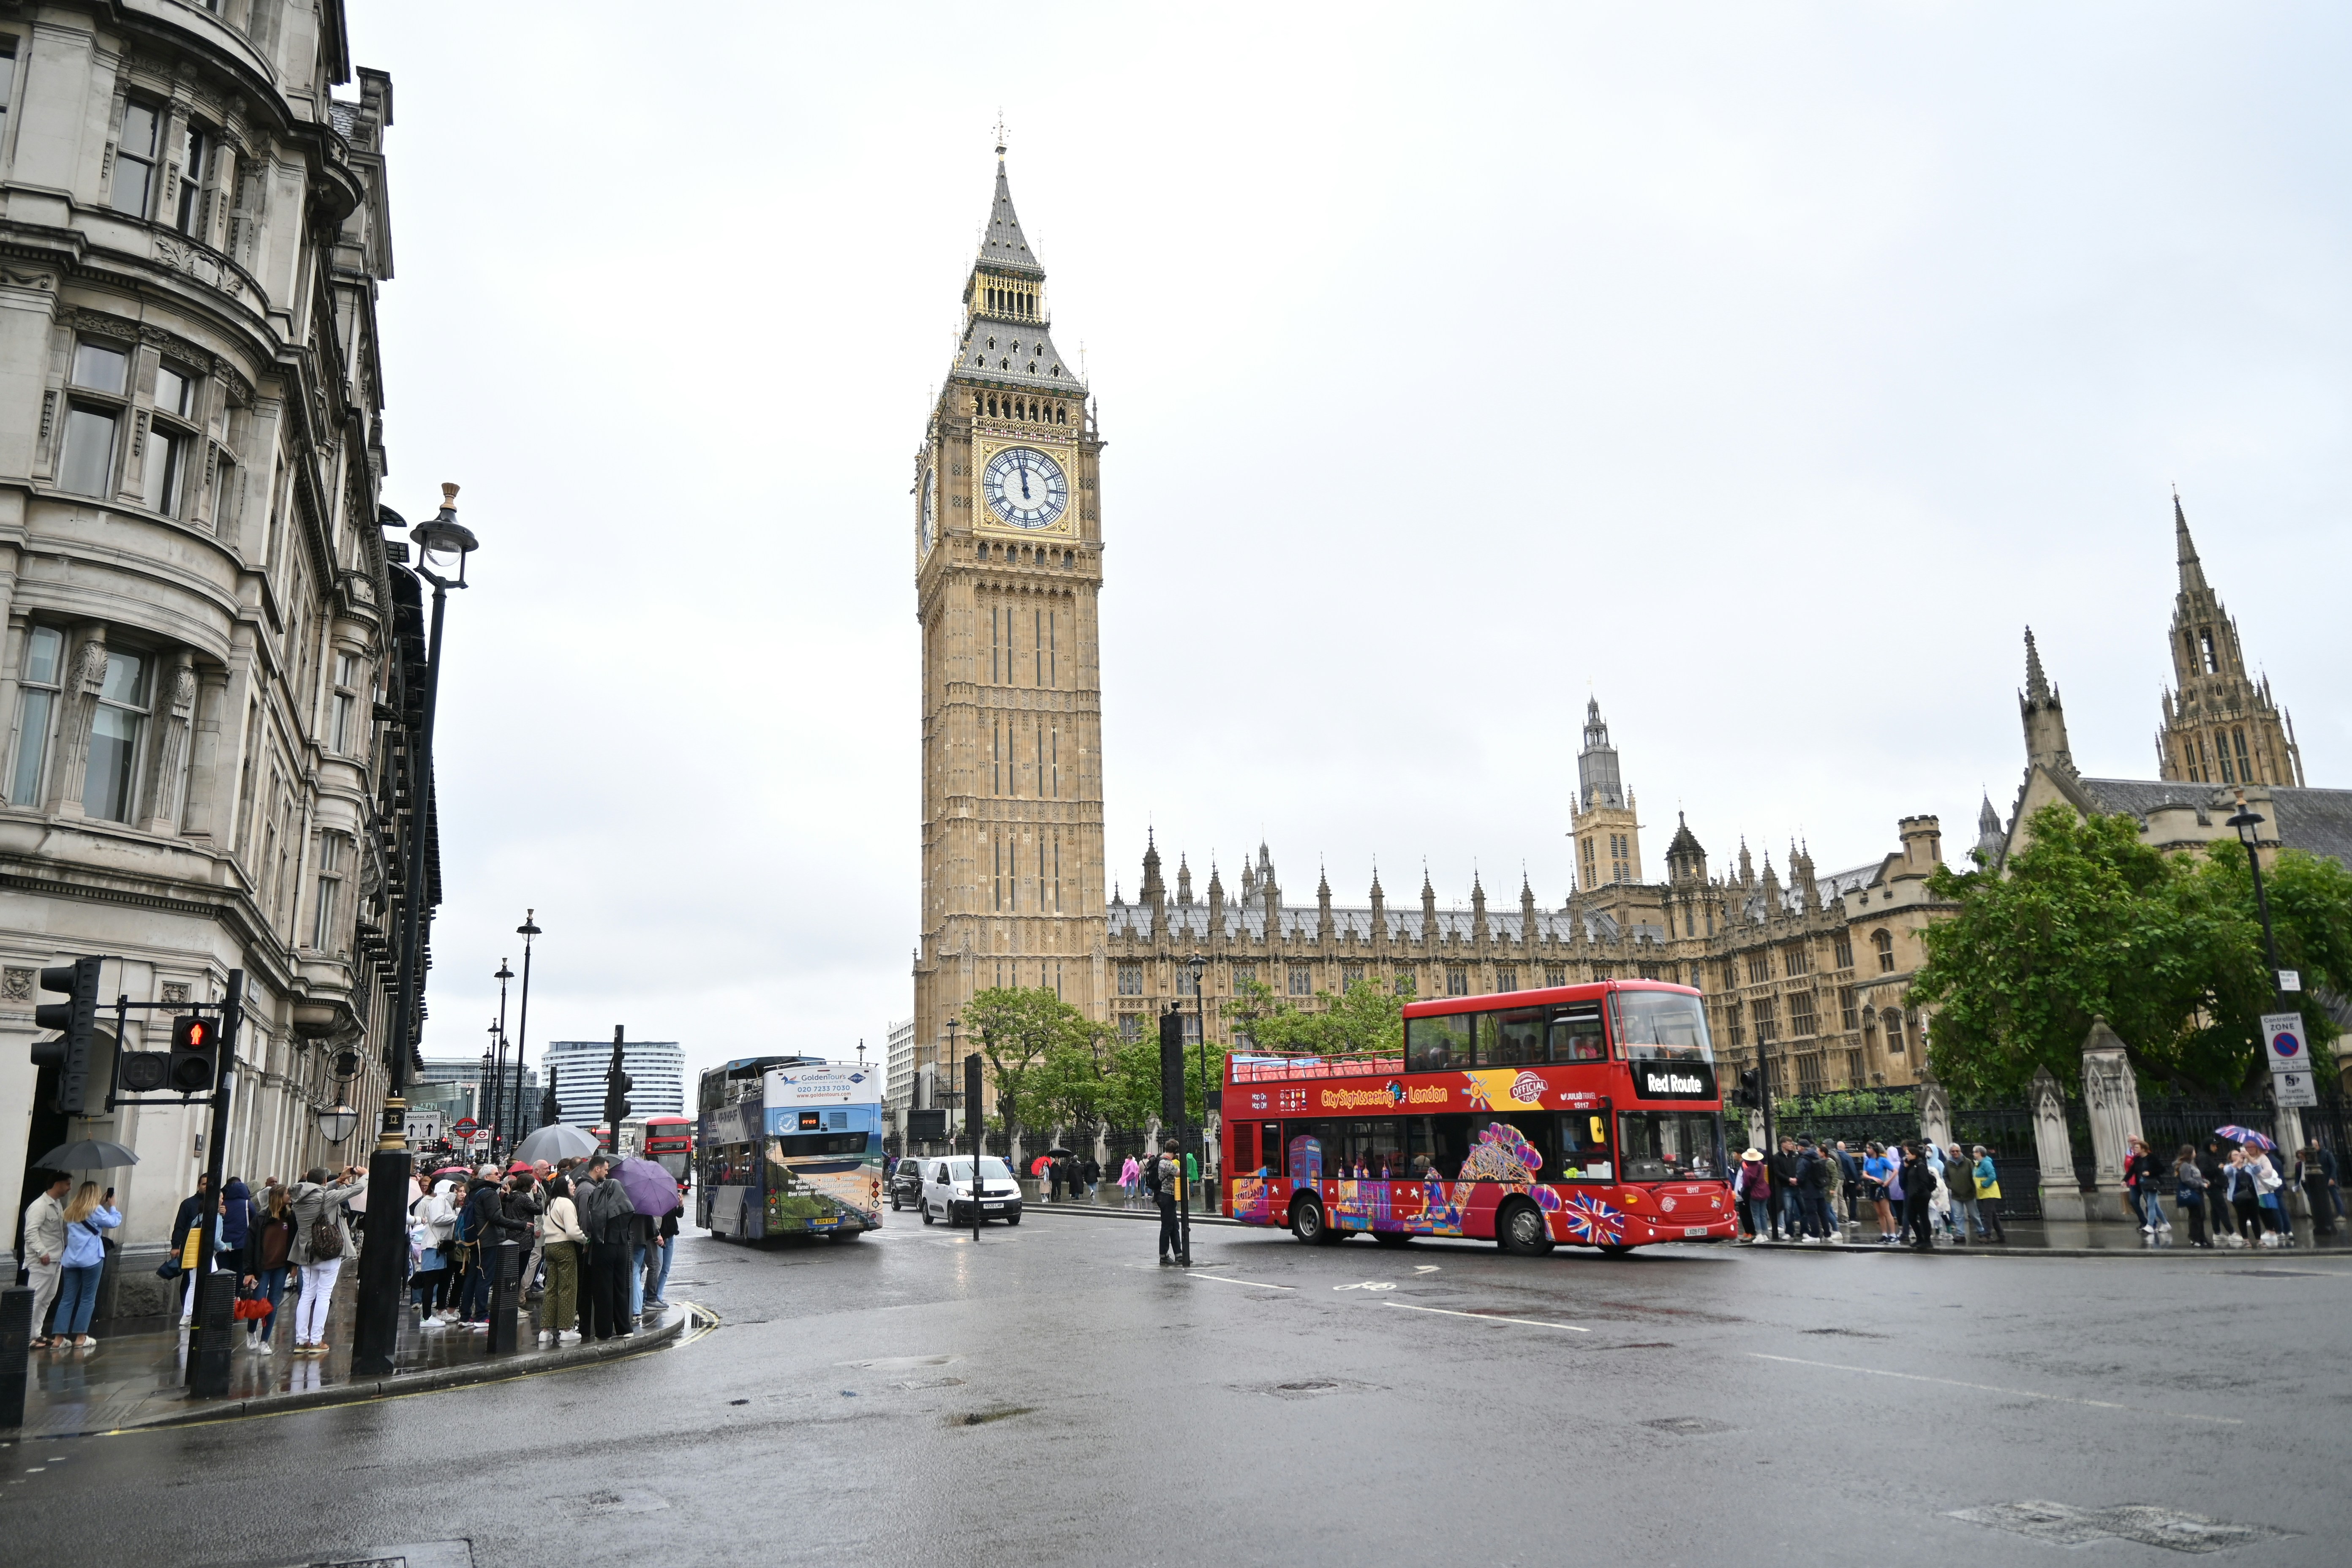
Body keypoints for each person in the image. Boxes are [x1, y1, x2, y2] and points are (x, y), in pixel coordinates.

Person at [287, 1165, 366, 1354]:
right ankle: (316, 1341)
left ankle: (301, 1341)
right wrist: (366, 1176)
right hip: (328, 1251)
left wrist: (337, 1181)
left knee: (306, 1295)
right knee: (323, 1295)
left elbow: (317, 1189)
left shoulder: (297, 1198)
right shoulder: (326, 1197)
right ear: (324, 1181)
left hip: (306, 1253)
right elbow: (358, 1189)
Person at [50, 1181, 120, 1350]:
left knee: (67, 1298)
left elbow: (87, 1215)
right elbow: (113, 1222)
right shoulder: (95, 1210)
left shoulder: (71, 1211)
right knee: (87, 1298)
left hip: (71, 1260)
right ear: (95, 1194)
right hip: (91, 1259)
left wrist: (99, 1204)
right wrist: (113, 1206)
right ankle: (81, 1337)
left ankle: (59, 1339)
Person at [576, 1156, 637, 1339]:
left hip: (604, 1246)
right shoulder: (624, 1205)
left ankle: (604, 1332)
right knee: (620, 1288)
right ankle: (624, 1329)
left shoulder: (599, 1200)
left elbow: (591, 1225)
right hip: (622, 1246)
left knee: (603, 1290)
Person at [21, 1171, 69, 1349]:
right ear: (57, 1184)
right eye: (67, 1184)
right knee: (35, 1298)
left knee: (47, 1298)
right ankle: (27, 1337)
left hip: (56, 1259)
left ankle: (36, 1334)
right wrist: (42, 1253)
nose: (69, 1188)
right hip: (43, 1260)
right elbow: (30, 1233)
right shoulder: (39, 1206)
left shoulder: (57, 1205)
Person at [537, 1174, 587, 1346]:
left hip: (550, 1246)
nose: (574, 1188)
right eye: (572, 1185)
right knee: (568, 1288)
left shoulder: (550, 1203)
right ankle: (567, 1330)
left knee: (551, 1288)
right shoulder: (567, 1203)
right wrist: (584, 1239)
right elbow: (572, 1231)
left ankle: (545, 1331)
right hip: (565, 1247)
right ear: (565, 1187)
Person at [249, 1181, 296, 1352]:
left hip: (281, 1267)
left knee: (274, 1303)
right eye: (287, 1194)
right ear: (278, 1197)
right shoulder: (261, 1218)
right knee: (258, 1303)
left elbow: (293, 1243)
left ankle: (264, 1342)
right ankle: (251, 1331)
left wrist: (294, 1266)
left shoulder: (290, 1218)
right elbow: (250, 1246)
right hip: (262, 1268)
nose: (290, 1197)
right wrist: (249, 1272)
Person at [166, 1172, 217, 1326]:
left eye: (209, 1184)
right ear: (198, 1186)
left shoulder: (217, 1205)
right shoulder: (188, 1204)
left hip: (209, 1250)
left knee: (209, 1280)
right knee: (189, 1281)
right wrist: (176, 1246)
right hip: (191, 1248)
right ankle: (187, 1311)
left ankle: (201, 1311)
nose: (206, 1187)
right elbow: (180, 1226)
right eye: (204, 1184)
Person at [2124, 1136, 2170, 1239]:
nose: (2135, 1149)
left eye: (2137, 1148)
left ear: (2143, 1149)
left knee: (2150, 1205)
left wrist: (2150, 1172)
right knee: (2155, 1206)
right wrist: (2124, 1180)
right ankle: (2166, 1224)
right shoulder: (2137, 1160)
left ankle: (2150, 1226)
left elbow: (2162, 1169)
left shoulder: (2152, 1157)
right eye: (2135, 1148)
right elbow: (2132, 1171)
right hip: (2143, 1184)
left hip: (2153, 1184)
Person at [1148, 1141, 1184, 1264]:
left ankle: (1179, 1255)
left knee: (1174, 1226)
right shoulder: (1167, 1163)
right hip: (1166, 1196)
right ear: (1175, 1151)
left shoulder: (1161, 1160)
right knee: (1167, 1227)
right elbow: (1181, 1173)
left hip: (1166, 1196)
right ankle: (1163, 1255)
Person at [2293, 1141, 2338, 1237]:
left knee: (2324, 1199)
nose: (2301, 1158)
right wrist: (2296, 1185)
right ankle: (2315, 1217)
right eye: (2299, 1157)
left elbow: (2333, 1166)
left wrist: (2332, 1178)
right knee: (2311, 1200)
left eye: (2302, 1156)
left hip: (2317, 1182)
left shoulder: (2313, 1161)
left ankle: (2327, 1217)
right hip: (2305, 1184)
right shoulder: (2298, 1165)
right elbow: (2298, 1176)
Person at [645, 1194, 681, 1312]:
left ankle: (658, 1297)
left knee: (665, 1270)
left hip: (670, 1236)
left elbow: (679, 1214)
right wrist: (657, 1235)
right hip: (659, 1237)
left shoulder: (670, 1196)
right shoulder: (654, 1198)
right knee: (657, 1268)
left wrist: (681, 1206)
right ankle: (648, 1298)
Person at [2174, 1144, 2211, 1248]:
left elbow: (2197, 1177)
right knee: (2196, 1217)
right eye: (2194, 1151)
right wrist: (2200, 1184)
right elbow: (2186, 1179)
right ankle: (2195, 1238)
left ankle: (2202, 1238)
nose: (2196, 1153)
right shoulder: (2185, 1165)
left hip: (2198, 1192)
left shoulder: (2192, 1163)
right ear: (2189, 1153)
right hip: (2192, 1192)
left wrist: (2205, 1181)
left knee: (2201, 1216)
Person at [1897, 1143, 1934, 1251]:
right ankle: (1919, 1239)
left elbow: (1924, 1181)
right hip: (1912, 1195)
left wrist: (1917, 1192)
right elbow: (1905, 1180)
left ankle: (1927, 1240)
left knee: (1923, 1217)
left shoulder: (1921, 1165)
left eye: (1908, 1154)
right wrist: (1905, 1168)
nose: (1907, 1156)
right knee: (1911, 1217)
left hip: (1921, 1195)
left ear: (1915, 1155)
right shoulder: (1911, 1166)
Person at [1767, 1138, 1801, 1242]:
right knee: (1788, 1210)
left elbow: (1799, 1168)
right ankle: (1789, 1232)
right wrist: (1789, 1180)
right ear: (1783, 1144)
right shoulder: (1777, 1157)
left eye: (1792, 1143)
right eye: (1789, 1143)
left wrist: (1797, 1179)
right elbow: (1777, 1172)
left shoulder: (1796, 1156)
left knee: (1803, 1209)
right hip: (1786, 1187)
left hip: (1797, 1186)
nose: (1792, 1145)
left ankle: (1805, 1231)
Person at [1734, 1147, 1772, 1241]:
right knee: (1763, 1214)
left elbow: (1747, 1184)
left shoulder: (1748, 1171)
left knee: (1756, 1215)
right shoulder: (1762, 1166)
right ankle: (1765, 1234)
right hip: (1765, 1192)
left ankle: (1759, 1235)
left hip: (1755, 1194)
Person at [1971, 1146, 2007, 1243]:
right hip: (1983, 1193)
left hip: (1990, 1193)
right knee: (1993, 1216)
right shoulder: (1979, 1164)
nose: (1973, 1154)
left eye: (1974, 1152)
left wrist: (1984, 1185)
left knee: (1987, 1215)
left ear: (1979, 1153)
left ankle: (1987, 1236)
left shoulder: (1986, 1163)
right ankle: (2001, 1236)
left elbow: (1993, 1176)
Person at [1862, 1142, 1896, 1243]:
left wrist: (1888, 1182)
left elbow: (1895, 1171)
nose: (1868, 1150)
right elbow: (1865, 1174)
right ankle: (1884, 1234)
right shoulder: (1868, 1162)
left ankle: (1893, 1235)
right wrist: (1872, 1178)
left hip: (1882, 1187)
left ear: (1875, 1149)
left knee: (1886, 1212)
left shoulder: (1882, 1160)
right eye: (1867, 1148)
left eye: (1870, 1148)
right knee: (1879, 1213)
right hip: (1873, 1186)